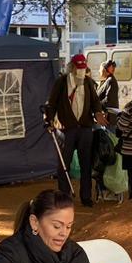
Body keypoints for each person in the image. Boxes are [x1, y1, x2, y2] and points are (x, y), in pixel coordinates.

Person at [46, 54, 105, 207]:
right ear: (72, 67)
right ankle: (64, 198)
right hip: (67, 129)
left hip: (85, 128)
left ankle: (86, 197)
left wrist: (98, 114)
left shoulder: (88, 82)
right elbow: (51, 103)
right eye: (78, 68)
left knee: (86, 164)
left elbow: (95, 102)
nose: (81, 71)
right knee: (64, 165)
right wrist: (50, 119)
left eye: (83, 68)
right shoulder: (61, 82)